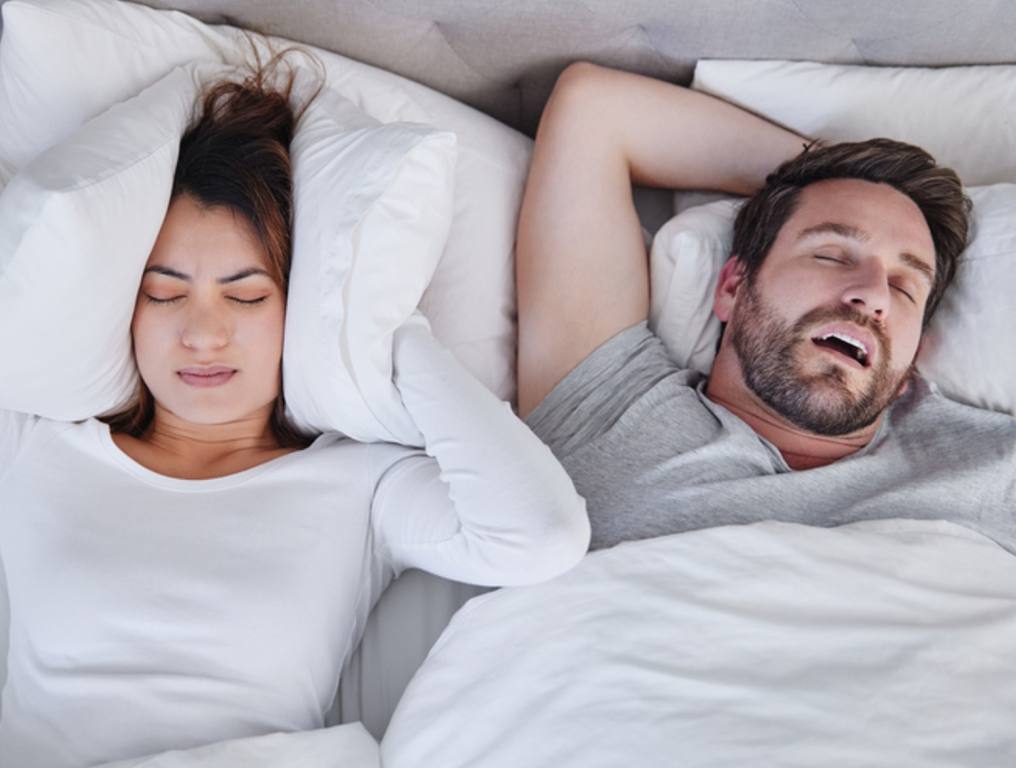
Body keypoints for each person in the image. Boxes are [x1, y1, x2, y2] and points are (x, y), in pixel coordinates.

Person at [0, 51, 589, 767]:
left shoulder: (359, 487)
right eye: (164, 292)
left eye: (246, 295)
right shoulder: (37, 443)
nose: (203, 333)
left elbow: (541, 535)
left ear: (299, 307)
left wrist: (386, 338)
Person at [516, 61, 1016, 552]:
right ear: (733, 285)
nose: (874, 295)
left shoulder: (996, 471)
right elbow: (595, 110)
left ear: (914, 355)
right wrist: (820, 178)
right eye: (831, 254)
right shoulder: (609, 411)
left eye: (906, 286)